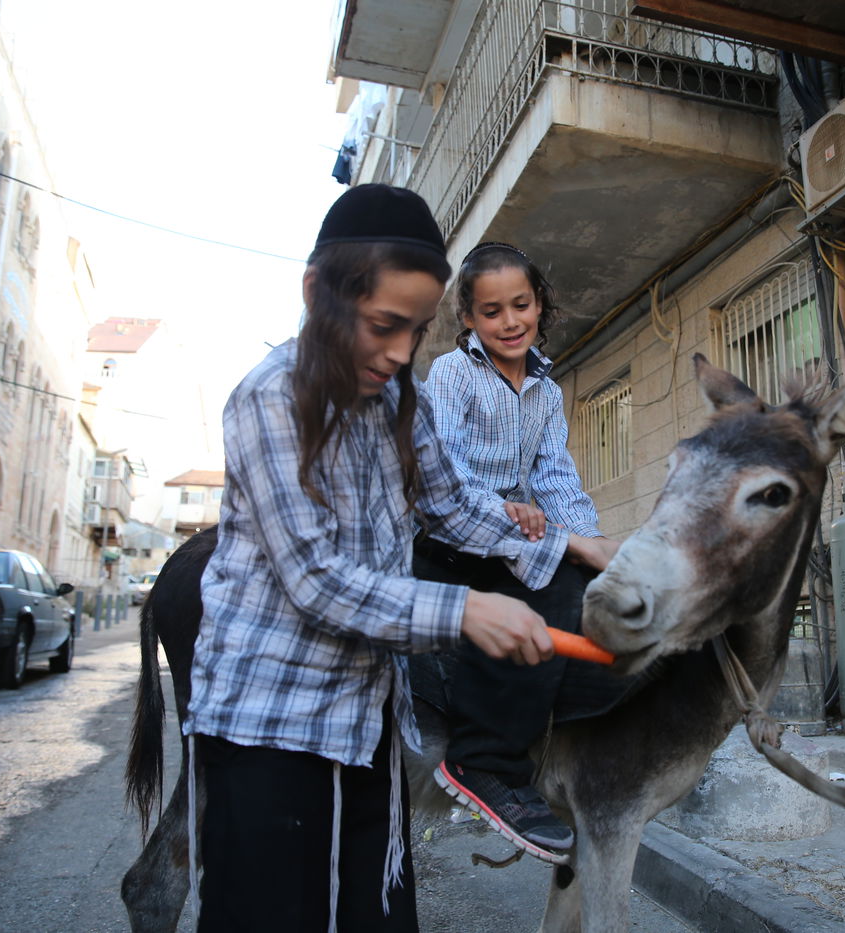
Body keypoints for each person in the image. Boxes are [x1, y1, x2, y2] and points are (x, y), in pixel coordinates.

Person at [181, 186, 614, 932]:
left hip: (364, 722)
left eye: (415, 331)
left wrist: (564, 541)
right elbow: (318, 581)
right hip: (269, 728)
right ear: (319, 293)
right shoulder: (269, 399)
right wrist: (468, 610)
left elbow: (452, 504)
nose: (401, 353)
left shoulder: (395, 396)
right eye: (385, 326)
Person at [416, 241, 616, 864]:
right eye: (492, 311)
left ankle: (563, 751)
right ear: (470, 320)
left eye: (520, 306)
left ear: (539, 305)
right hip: (457, 535)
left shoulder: (546, 389)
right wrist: (513, 513)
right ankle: (485, 763)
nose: (510, 322)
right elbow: (446, 474)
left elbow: (554, 477)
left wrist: (592, 542)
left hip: (520, 534)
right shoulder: (452, 374)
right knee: (548, 591)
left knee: (589, 589)